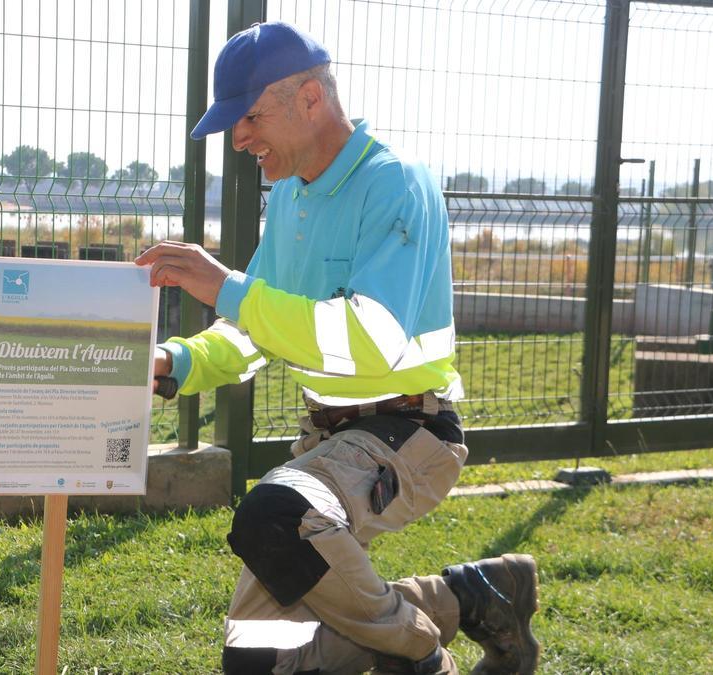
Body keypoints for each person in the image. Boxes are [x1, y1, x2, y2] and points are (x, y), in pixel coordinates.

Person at [136, 22, 539, 675]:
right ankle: (468, 596)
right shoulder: (291, 197)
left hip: (412, 432)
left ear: (311, 99)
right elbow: (253, 328)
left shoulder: (396, 183)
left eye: (249, 117)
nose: (238, 139)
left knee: (277, 509)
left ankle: (421, 657)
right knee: (258, 661)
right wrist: (175, 361)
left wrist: (224, 284)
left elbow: (371, 340)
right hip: (328, 443)